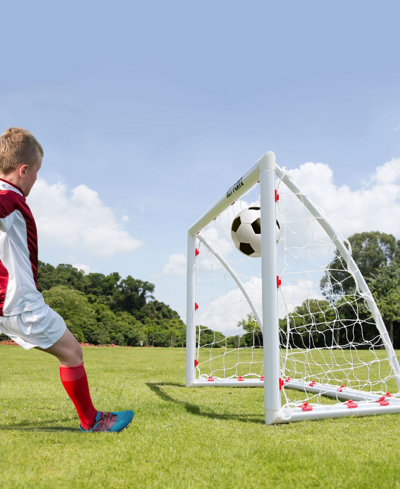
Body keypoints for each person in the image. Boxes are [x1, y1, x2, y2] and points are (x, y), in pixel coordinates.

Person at [0, 127, 134, 433]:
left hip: (5, 302)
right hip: (20, 304)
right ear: (23, 170)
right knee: (72, 352)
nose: (36, 178)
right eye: (36, 172)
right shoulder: (10, 197)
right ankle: (93, 421)